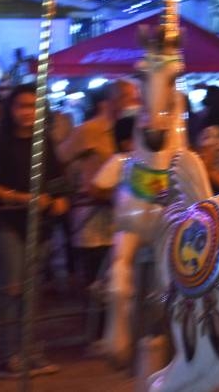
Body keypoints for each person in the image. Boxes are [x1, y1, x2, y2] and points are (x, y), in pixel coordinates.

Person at [0, 84, 69, 376]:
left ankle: (31, 350)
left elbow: (57, 178)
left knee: (32, 290)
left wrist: (60, 200)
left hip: (39, 224)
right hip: (8, 222)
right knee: (13, 287)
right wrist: (24, 199)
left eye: (32, 106)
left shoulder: (43, 143)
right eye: (22, 106)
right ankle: (9, 354)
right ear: (11, 110)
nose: (27, 112)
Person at [57, 80, 140, 291]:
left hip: (122, 219)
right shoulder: (89, 130)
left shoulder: (130, 129)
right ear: (111, 102)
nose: (134, 103)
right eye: (129, 98)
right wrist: (78, 180)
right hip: (93, 220)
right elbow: (60, 158)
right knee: (97, 284)